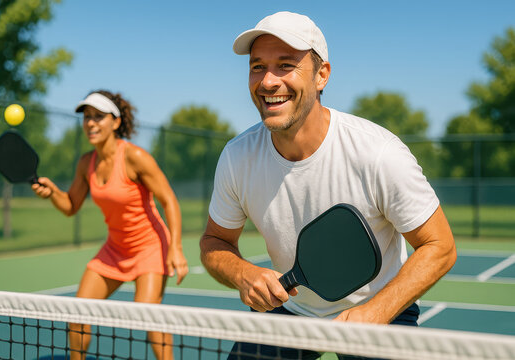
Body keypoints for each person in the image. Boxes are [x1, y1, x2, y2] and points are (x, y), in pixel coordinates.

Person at [200, 11, 457, 360]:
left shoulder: (378, 152)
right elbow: (214, 242)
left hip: (379, 309)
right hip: (289, 312)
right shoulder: (237, 157)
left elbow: (439, 245)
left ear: (322, 75)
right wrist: (242, 272)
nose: (268, 81)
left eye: (286, 65)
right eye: (257, 66)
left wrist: (377, 311)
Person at [32, 90, 188, 360]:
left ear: (115, 122)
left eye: (98, 117)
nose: (91, 124)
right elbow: (70, 206)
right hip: (115, 249)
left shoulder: (135, 157)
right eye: (87, 118)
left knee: (148, 317)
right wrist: (53, 192)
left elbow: (169, 200)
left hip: (150, 247)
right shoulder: (85, 163)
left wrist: (176, 248)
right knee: (78, 313)